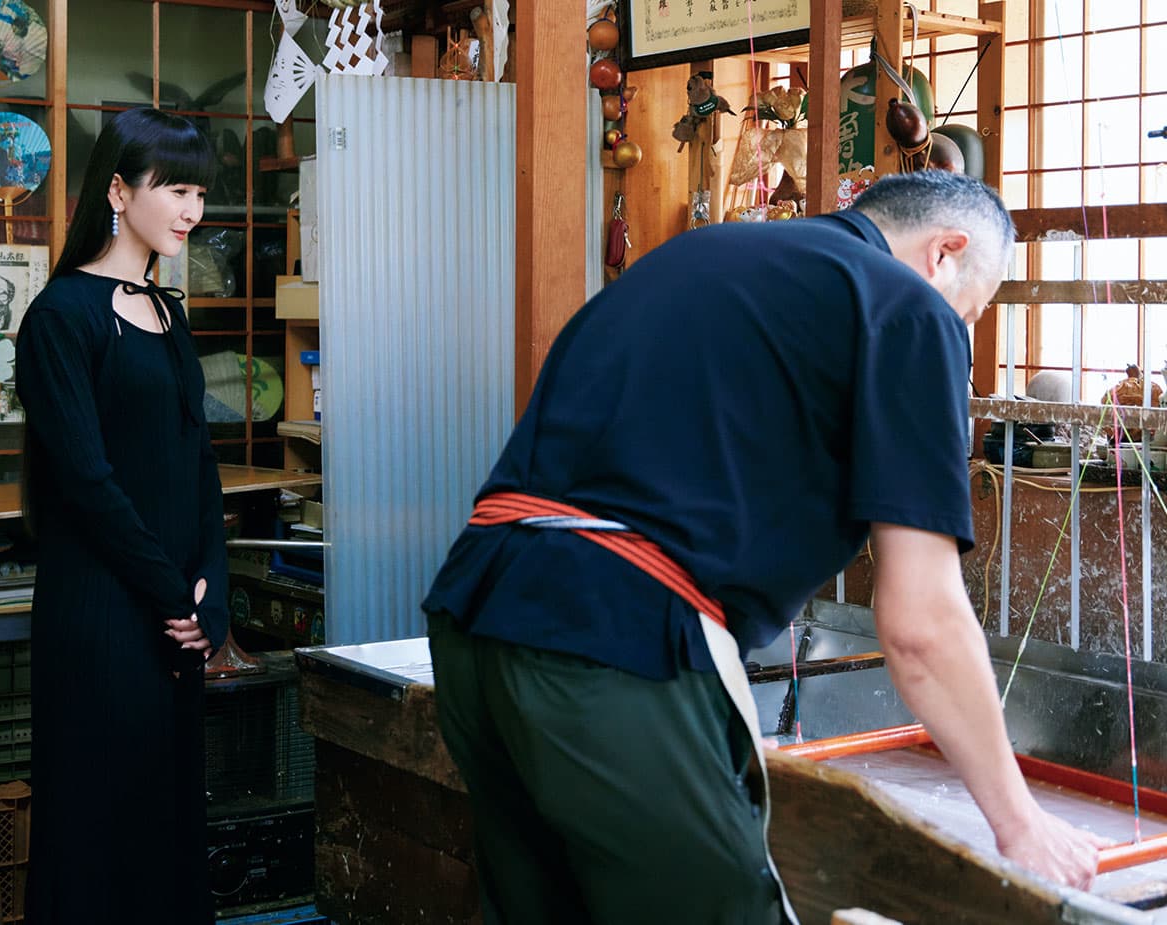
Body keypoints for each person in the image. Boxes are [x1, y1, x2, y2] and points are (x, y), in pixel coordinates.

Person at [422, 171, 1105, 925]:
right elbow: (921, 625)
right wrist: (1020, 822)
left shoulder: (706, 257)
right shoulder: (907, 307)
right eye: (970, 314)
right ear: (946, 252)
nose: (961, 336)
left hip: (474, 615)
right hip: (613, 642)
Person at [14, 107, 228, 925]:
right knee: (98, 831)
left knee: (165, 824)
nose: (190, 210)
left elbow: (197, 461)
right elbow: (89, 485)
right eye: (175, 188)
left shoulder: (169, 313)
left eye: (198, 192)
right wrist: (173, 595)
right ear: (117, 190)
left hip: (172, 622)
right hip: (102, 617)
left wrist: (211, 596)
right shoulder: (60, 318)